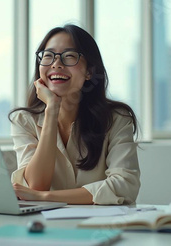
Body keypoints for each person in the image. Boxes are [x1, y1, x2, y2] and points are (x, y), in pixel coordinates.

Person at [8, 24, 140, 205]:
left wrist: (45, 198)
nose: (56, 64)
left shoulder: (117, 118)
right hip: (44, 226)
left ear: (89, 72)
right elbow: (36, 185)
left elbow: (125, 185)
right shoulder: (23, 121)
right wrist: (52, 109)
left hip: (99, 226)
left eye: (69, 56)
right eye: (48, 56)